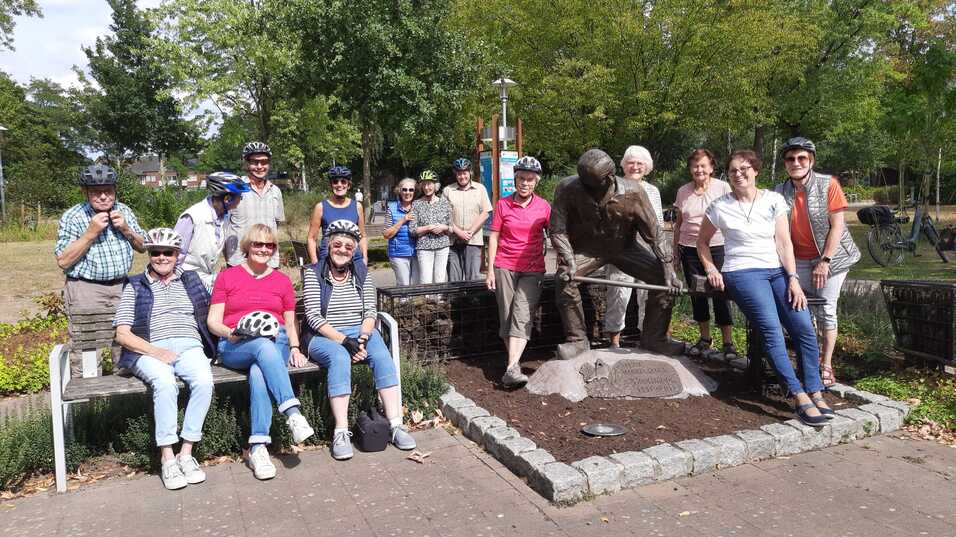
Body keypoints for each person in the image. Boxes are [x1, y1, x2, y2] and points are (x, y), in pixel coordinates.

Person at [697, 150, 831, 427]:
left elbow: (784, 243)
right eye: (733, 170)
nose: (738, 174)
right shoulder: (720, 206)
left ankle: (815, 389)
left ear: (756, 171)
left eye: (744, 168)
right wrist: (711, 268)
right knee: (772, 330)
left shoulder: (773, 200)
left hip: (778, 272)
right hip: (743, 273)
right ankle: (797, 394)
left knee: (803, 326)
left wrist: (793, 279)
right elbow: (702, 243)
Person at [550, 149, 685, 356]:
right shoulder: (568, 188)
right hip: (588, 250)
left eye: (592, 187)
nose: (587, 191)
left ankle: (654, 338)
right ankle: (577, 340)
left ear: (610, 178)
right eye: (584, 184)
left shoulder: (633, 193)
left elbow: (655, 233)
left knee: (662, 279)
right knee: (564, 279)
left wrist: (668, 267)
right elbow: (557, 229)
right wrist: (568, 259)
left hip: (625, 249)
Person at [207, 224, 315, 480]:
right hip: (235, 343)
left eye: (269, 245)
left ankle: (258, 448)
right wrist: (230, 333)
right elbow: (213, 321)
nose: (263, 249)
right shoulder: (228, 276)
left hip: (275, 341)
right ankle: (293, 413)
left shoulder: (281, 280)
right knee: (262, 346)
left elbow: (289, 322)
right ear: (247, 247)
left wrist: (295, 347)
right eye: (258, 244)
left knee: (258, 373)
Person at [303, 220, 416, 460]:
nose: (342, 250)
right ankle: (341, 431)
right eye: (337, 244)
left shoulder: (362, 272)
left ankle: (395, 424)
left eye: (348, 246)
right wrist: (346, 342)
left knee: (382, 355)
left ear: (354, 250)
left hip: (358, 331)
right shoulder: (313, 273)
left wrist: (363, 338)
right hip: (324, 334)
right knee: (339, 357)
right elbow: (312, 317)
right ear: (328, 245)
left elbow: (370, 312)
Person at [114, 228, 215, 490]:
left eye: (167, 252)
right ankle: (167, 458)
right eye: (155, 253)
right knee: (165, 383)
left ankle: (187, 453)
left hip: (190, 346)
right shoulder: (135, 285)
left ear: (177, 254)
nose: (161, 257)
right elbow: (123, 334)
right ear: (149, 254)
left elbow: (215, 308)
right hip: (149, 348)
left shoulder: (191, 280)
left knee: (205, 381)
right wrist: (157, 353)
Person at [775, 137, 860, 387]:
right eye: (790, 159)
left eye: (802, 158)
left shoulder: (828, 184)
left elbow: (837, 225)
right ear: (785, 164)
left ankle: (826, 365)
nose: (796, 163)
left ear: (811, 160)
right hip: (799, 258)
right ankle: (809, 364)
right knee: (802, 311)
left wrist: (825, 261)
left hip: (832, 258)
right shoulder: (780, 191)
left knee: (826, 310)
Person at [55, 164, 146, 375]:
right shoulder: (74, 216)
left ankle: (124, 400)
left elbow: (143, 246)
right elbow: (63, 261)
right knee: (88, 348)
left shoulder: (125, 212)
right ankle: (87, 403)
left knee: (124, 342)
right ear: (85, 192)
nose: (104, 196)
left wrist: (126, 229)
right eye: (96, 192)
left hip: (122, 286)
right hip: (86, 288)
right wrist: (91, 232)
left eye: (108, 191)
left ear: (115, 190)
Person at [486, 157, 551, 387]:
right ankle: (512, 367)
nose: (525, 183)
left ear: (536, 181)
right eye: (521, 178)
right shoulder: (503, 204)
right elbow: (493, 237)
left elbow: (556, 234)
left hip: (532, 269)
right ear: (515, 179)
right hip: (504, 265)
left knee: (522, 314)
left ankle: (511, 367)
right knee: (506, 315)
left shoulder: (544, 206)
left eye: (530, 179)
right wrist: (490, 270)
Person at [673, 149, 736, 359]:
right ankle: (704, 338)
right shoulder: (683, 191)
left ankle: (728, 343)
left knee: (720, 292)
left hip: (717, 247)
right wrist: (675, 251)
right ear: (690, 169)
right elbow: (678, 224)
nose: (699, 169)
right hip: (689, 249)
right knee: (698, 294)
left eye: (703, 165)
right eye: (695, 166)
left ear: (711, 167)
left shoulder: (723, 188)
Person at [604, 146, 664, 348]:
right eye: (631, 162)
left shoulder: (652, 191)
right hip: (621, 250)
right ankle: (614, 342)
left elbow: (659, 225)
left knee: (647, 295)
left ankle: (646, 339)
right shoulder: (612, 187)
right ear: (624, 165)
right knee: (618, 294)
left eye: (640, 163)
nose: (635, 167)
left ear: (647, 167)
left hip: (648, 252)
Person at [174, 172, 251, 291]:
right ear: (227, 199)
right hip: (185, 281)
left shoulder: (224, 216)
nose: (240, 201)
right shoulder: (193, 216)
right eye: (239, 197)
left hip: (206, 278)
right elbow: (175, 254)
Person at [223, 142, 285, 268]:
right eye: (254, 162)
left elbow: (276, 225)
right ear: (246, 163)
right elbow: (222, 224)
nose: (259, 166)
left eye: (264, 162)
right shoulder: (234, 189)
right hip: (239, 261)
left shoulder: (275, 191)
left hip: (268, 261)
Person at [306, 166, 368, 265]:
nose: (339, 185)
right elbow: (311, 238)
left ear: (348, 185)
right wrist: (315, 262)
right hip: (328, 261)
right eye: (335, 182)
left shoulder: (357, 206)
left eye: (343, 181)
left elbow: (362, 236)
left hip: (354, 260)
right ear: (331, 185)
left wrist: (365, 258)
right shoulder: (320, 207)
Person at [443, 158, 492, 281]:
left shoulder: (480, 189)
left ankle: (471, 300)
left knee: (472, 278)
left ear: (470, 172)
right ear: (456, 174)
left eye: (465, 173)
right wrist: (458, 232)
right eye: (459, 173)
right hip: (452, 241)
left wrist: (470, 232)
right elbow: (444, 215)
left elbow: (486, 213)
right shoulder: (448, 190)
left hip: (473, 240)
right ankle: (456, 301)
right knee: (454, 279)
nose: (462, 176)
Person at [410, 170, 453, 285]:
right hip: (424, 247)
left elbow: (451, 228)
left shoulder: (444, 203)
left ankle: (439, 302)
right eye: (424, 184)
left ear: (436, 185)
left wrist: (443, 227)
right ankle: (427, 302)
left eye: (429, 184)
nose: (426, 187)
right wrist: (428, 228)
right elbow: (412, 230)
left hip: (442, 246)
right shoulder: (416, 204)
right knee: (425, 279)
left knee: (440, 278)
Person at [383, 178, 418, 285]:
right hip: (399, 254)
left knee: (418, 285)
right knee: (404, 285)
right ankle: (403, 302)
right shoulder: (392, 209)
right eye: (405, 189)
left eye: (411, 190)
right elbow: (386, 234)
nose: (408, 193)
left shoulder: (419, 207)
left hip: (417, 253)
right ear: (400, 191)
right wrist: (403, 220)